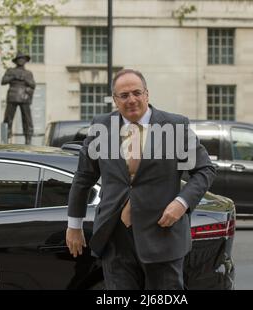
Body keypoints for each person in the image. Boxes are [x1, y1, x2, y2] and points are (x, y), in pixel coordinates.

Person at [65, 69, 216, 290]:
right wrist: (74, 225)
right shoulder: (101, 127)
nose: (132, 100)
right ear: (115, 100)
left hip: (163, 234)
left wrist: (181, 204)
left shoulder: (174, 126)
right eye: (124, 95)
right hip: (114, 236)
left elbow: (204, 170)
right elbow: (83, 178)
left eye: (137, 93)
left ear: (147, 94)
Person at [1, 51, 35, 145]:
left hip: (24, 97)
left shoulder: (28, 73)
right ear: (16, 61)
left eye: (23, 59)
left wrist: (24, 79)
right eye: (19, 59)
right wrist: (14, 77)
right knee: (8, 118)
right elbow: (3, 81)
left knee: (27, 119)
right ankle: (6, 138)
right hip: (12, 96)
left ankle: (28, 139)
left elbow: (33, 85)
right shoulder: (11, 71)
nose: (21, 60)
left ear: (25, 61)